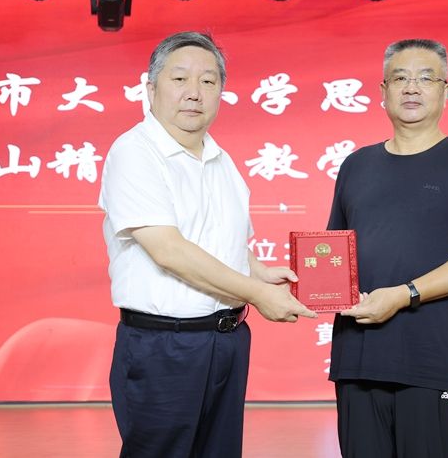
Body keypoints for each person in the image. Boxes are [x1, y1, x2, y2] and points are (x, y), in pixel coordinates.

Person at [98, 31, 316, 458]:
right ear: (151, 89)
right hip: (165, 347)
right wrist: (257, 294)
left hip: (227, 340)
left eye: (208, 81)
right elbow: (169, 250)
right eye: (180, 79)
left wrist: (259, 272)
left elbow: (220, 240)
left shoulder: (220, 159)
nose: (194, 93)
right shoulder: (135, 152)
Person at [326, 38, 448, 458]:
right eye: (400, 78)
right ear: (383, 91)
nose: (411, 88)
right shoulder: (356, 165)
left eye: (426, 78)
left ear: (446, 91)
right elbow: (334, 256)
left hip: (427, 361)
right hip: (356, 357)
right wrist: (305, 287)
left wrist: (403, 294)